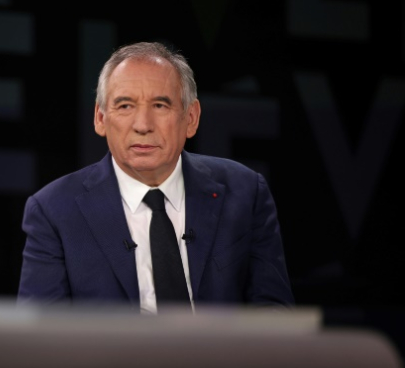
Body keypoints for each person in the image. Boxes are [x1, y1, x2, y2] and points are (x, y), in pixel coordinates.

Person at [17, 41, 294, 313]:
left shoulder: (245, 192)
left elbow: (274, 317)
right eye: (125, 106)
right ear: (100, 118)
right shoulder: (54, 210)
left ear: (191, 118)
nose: (143, 126)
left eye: (160, 105)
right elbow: (40, 338)